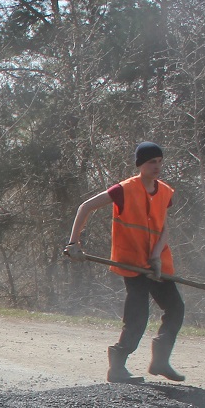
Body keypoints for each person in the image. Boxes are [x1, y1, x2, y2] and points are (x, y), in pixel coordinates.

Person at [65, 141, 186, 383]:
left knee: (176, 308)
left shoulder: (164, 192)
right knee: (137, 316)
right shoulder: (124, 189)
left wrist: (156, 256)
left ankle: (160, 360)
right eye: (152, 162)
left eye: (160, 161)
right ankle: (117, 366)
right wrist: (73, 243)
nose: (157, 166)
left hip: (157, 263)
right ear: (140, 165)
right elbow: (85, 207)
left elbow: (164, 229)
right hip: (132, 263)